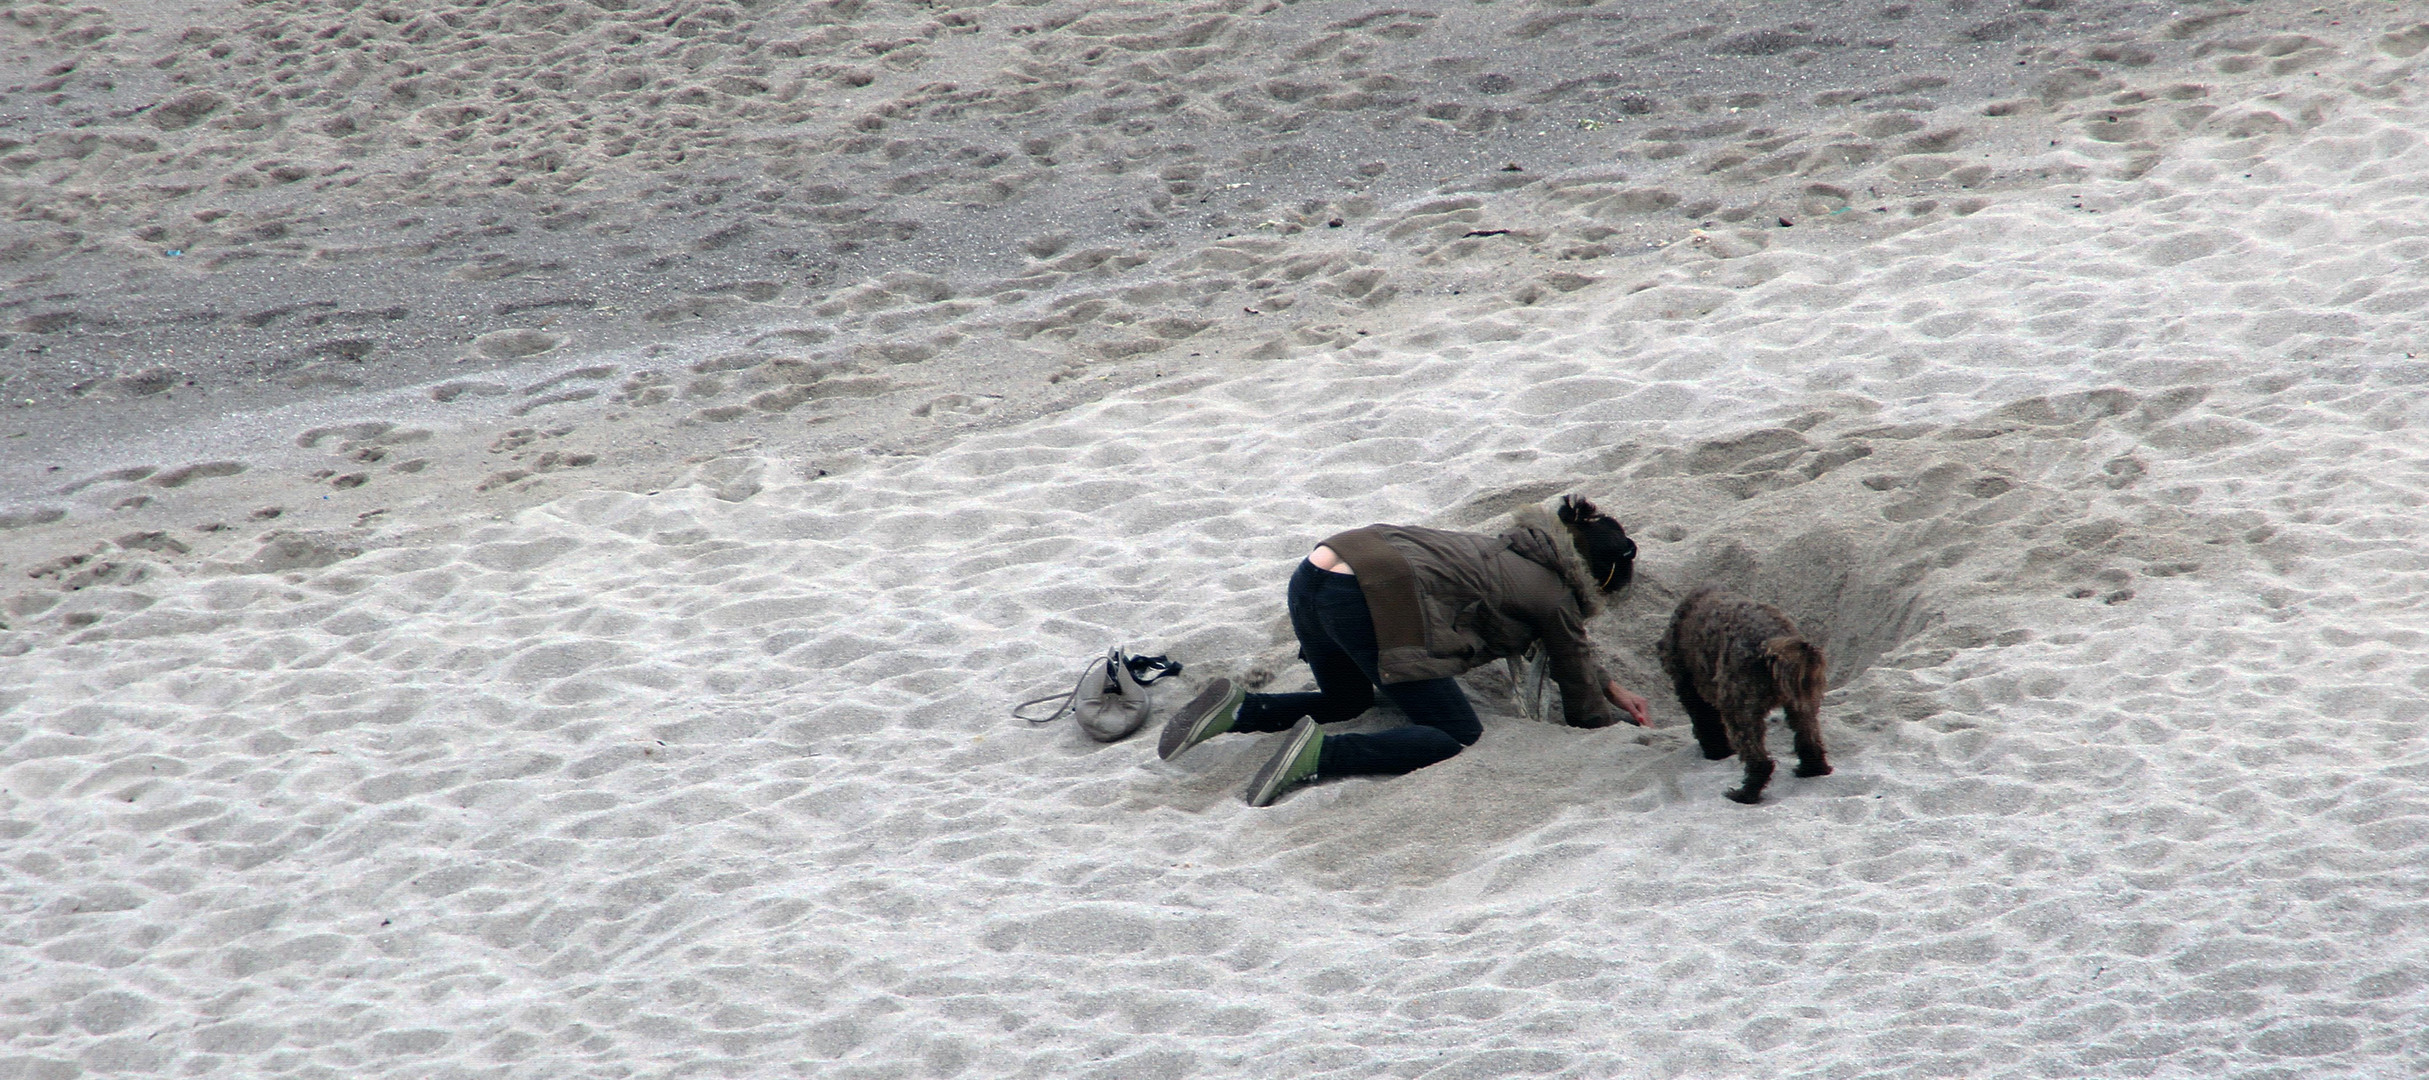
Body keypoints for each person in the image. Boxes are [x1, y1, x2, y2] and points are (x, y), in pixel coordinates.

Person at [1160, 495, 1653, 805]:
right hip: (1368, 594)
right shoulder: (1556, 594)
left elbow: (1570, 649)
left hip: (1320, 571)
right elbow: (1576, 685)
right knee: (1455, 733)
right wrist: (1610, 728)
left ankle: (1240, 708)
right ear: (1596, 580)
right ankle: (1319, 755)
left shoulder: (1508, 552)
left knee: (1347, 700)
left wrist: (1614, 687)